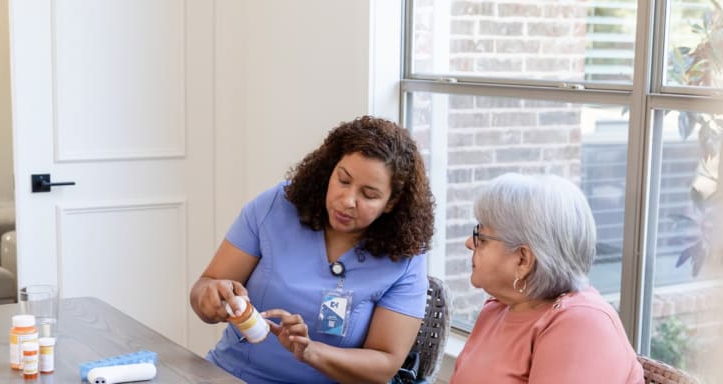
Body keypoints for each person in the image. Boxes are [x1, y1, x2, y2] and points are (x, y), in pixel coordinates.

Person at [190, 116, 435, 383]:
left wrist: (310, 352)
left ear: (391, 202)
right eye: (343, 180)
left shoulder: (404, 257)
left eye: (369, 194)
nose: (348, 200)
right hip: (231, 374)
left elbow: (384, 365)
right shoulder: (276, 207)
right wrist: (210, 297)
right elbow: (205, 289)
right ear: (330, 170)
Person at [450, 173, 643, 384]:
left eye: (481, 237)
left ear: (523, 259)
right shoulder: (495, 310)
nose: (469, 242)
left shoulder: (581, 324)